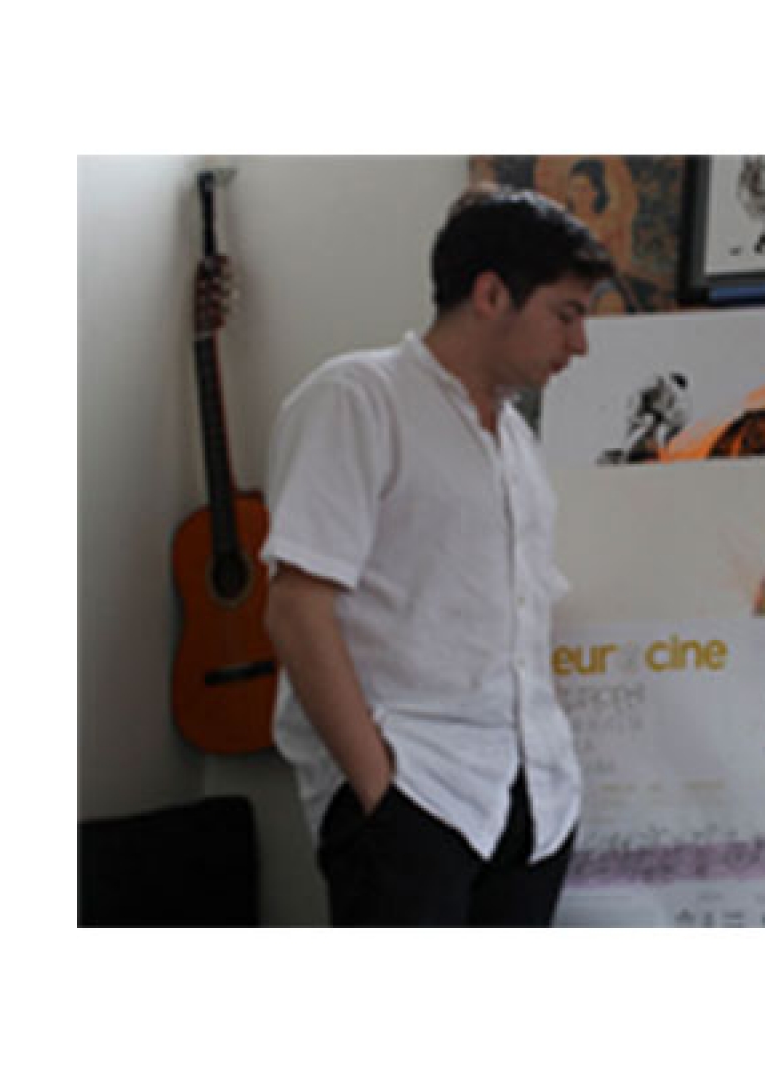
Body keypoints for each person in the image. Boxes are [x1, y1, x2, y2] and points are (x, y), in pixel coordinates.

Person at [260, 186, 615, 926]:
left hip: (533, 801)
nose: (580, 344)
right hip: (415, 793)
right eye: (566, 315)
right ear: (491, 295)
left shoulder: (515, 439)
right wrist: (379, 792)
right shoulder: (357, 398)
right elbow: (296, 608)